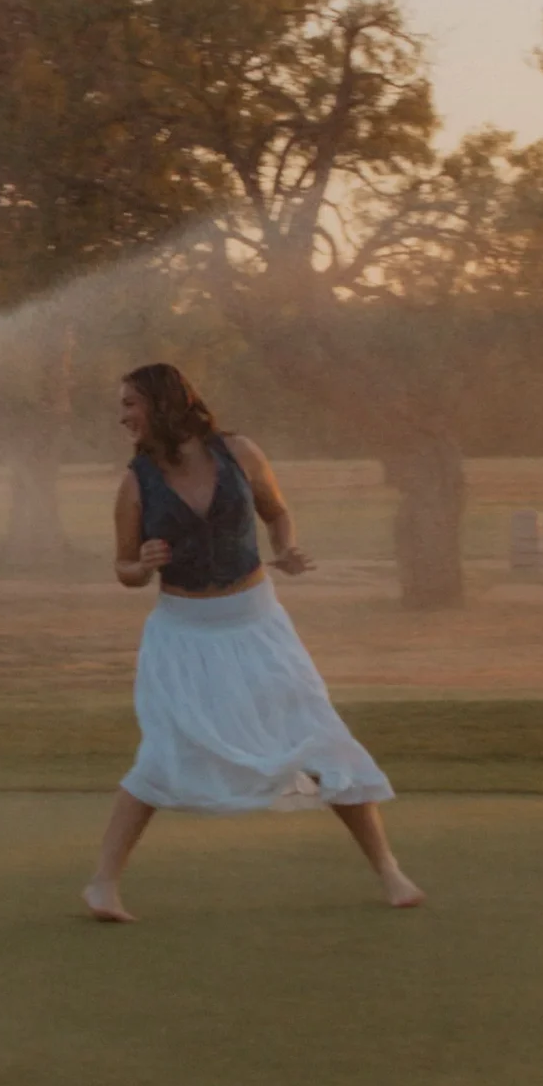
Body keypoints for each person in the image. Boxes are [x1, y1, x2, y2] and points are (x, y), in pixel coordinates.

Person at [83, 362, 423, 924]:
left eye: (129, 404)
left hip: (258, 624)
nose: (122, 417)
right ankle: (102, 885)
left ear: (165, 402)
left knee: (318, 737)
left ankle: (389, 870)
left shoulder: (239, 452)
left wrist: (286, 550)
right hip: (183, 637)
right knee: (165, 753)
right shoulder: (134, 482)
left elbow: (277, 512)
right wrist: (139, 565)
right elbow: (122, 567)